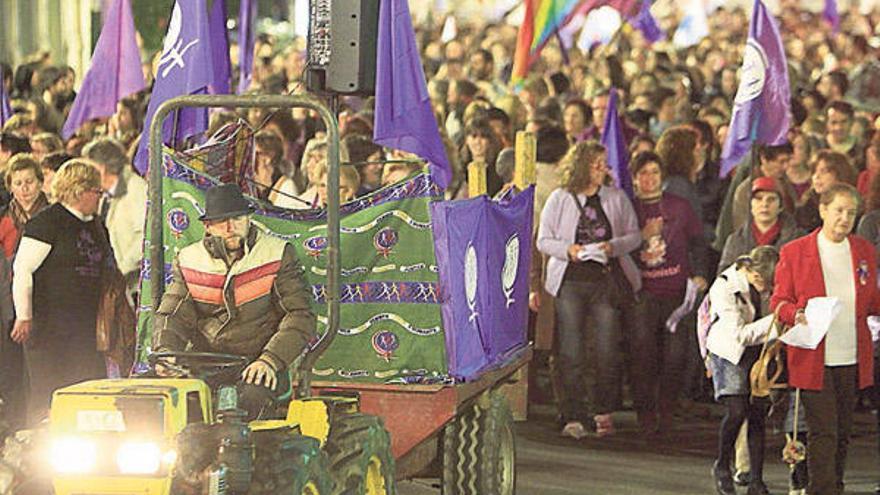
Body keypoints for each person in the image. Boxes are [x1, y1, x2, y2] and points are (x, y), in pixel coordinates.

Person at [154, 184, 316, 420]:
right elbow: (173, 313)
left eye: (237, 218)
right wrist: (166, 351)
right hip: (205, 362)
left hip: (257, 360)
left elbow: (300, 314)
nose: (231, 228)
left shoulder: (276, 252)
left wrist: (270, 360)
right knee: (156, 398)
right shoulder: (190, 259)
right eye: (222, 221)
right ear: (207, 226)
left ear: (248, 219)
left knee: (245, 406)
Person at [771, 183, 880, 495]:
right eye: (839, 211)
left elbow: (870, 300)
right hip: (813, 357)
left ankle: (835, 485)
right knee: (824, 432)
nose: (845, 218)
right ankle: (823, 489)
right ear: (823, 210)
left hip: (851, 355)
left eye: (851, 213)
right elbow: (778, 301)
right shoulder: (795, 251)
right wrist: (794, 314)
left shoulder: (863, 251)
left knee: (843, 432)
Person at [537, 141, 641, 439]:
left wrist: (613, 246)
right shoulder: (560, 198)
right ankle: (573, 414)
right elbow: (544, 240)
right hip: (570, 281)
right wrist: (569, 250)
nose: (601, 169)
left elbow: (633, 236)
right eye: (596, 164)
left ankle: (603, 410)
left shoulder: (615, 198)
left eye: (603, 164)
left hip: (604, 280)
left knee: (606, 349)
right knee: (570, 350)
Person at [11, 160, 111, 424]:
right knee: (49, 396)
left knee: (87, 392)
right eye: (96, 192)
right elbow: (23, 270)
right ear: (79, 190)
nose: (99, 198)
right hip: (49, 331)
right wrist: (24, 315)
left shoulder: (97, 225)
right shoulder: (47, 222)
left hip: (86, 331)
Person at [629, 151, 708, 435]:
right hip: (643, 294)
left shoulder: (680, 206)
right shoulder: (629, 208)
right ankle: (646, 413)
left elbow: (698, 242)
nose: (649, 179)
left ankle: (667, 410)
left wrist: (700, 273)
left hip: (677, 293)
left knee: (676, 355)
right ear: (635, 178)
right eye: (643, 173)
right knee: (643, 354)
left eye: (654, 172)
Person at [708, 246, 780, 495]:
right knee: (737, 410)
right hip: (729, 352)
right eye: (760, 280)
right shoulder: (724, 286)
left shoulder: (768, 285)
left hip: (758, 351)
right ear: (748, 269)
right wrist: (776, 322)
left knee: (757, 413)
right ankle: (722, 465)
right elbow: (738, 335)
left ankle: (757, 480)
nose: (765, 287)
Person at [82, 138, 147, 290]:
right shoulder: (104, 195)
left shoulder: (137, 190)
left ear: (101, 168)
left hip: (133, 285)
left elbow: (145, 238)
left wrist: (120, 269)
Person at [719, 177, 802, 272]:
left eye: (771, 199)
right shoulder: (735, 240)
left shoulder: (798, 239)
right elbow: (723, 280)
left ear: (780, 206)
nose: (765, 204)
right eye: (758, 198)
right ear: (750, 205)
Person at [0, 154, 49, 259]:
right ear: (10, 188)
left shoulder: (55, 216)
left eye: (29, 182)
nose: (24, 188)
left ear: (40, 183)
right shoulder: (2, 217)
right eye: (18, 183)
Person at [794, 150, 857, 232]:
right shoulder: (804, 208)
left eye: (823, 171)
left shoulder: (854, 203)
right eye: (814, 172)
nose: (816, 176)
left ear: (840, 174)